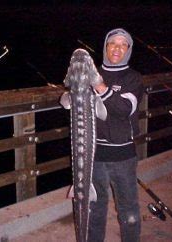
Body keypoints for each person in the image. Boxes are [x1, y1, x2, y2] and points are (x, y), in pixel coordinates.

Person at [61, 28, 144, 242]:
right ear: (105, 46)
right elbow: (70, 99)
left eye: (122, 44)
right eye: (112, 43)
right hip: (93, 157)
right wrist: (70, 93)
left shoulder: (133, 78)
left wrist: (99, 85)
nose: (117, 48)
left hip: (123, 157)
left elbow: (124, 108)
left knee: (129, 212)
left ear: (128, 49)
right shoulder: (92, 72)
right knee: (94, 212)